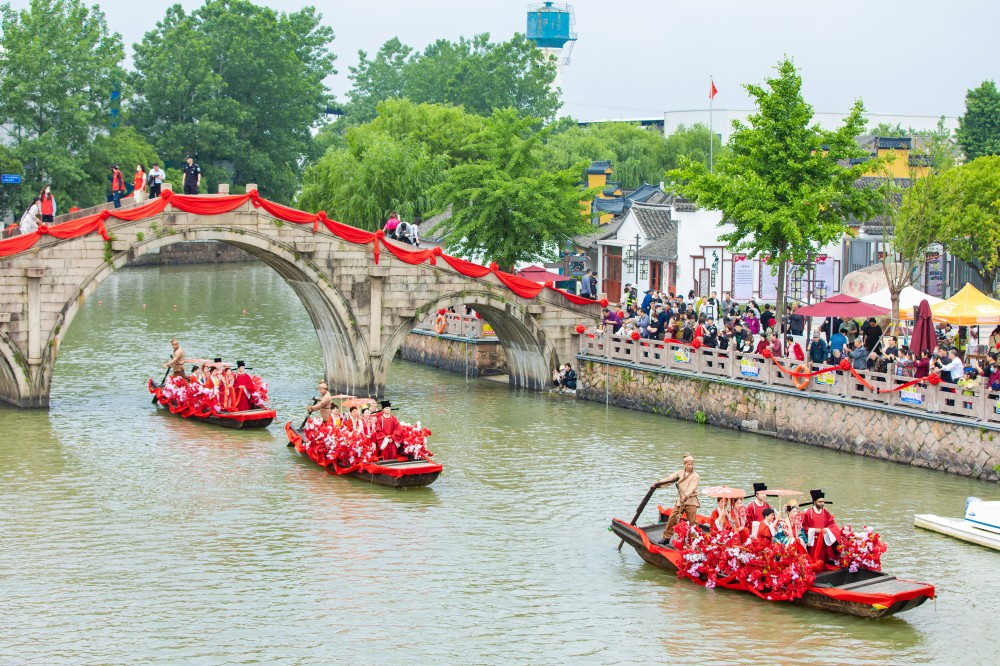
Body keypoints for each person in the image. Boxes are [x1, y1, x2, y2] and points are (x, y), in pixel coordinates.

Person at [654, 454, 700, 544]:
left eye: (692, 464)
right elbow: (669, 479)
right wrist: (657, 484)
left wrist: (685, 496)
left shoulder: (695, 476)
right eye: (688, 464)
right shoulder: (679, 473)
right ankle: (666, 538)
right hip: (681, 500)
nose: (690, 466)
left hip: (691, 500)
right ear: (685, 464)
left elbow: (692, 488)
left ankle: (694, 540)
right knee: (672, 518)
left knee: (692, 522)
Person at [799, 489, 841, 566]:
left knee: (823, 560)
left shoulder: (825, 512)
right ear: (815, 502)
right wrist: (814, 530)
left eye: (823, 502)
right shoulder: (809, 513)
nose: (822, 504)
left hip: (823, 540)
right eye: (820, 502)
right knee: (814, 560)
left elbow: (832, 524)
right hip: (813, 541)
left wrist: (827, 530)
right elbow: (803, 527)